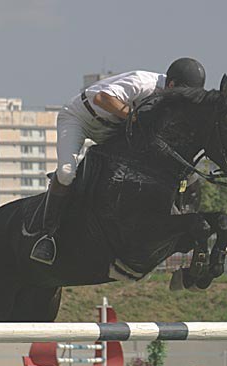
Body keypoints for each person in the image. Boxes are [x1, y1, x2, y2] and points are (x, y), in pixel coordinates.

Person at [30, 57, 206, 265]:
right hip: (80, 117)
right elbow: (102, 99)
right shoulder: (143, 82)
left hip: (112, 128)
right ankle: (47, 234)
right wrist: (135, 118)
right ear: (171, 85)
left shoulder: (175, 97)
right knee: (67, 173)